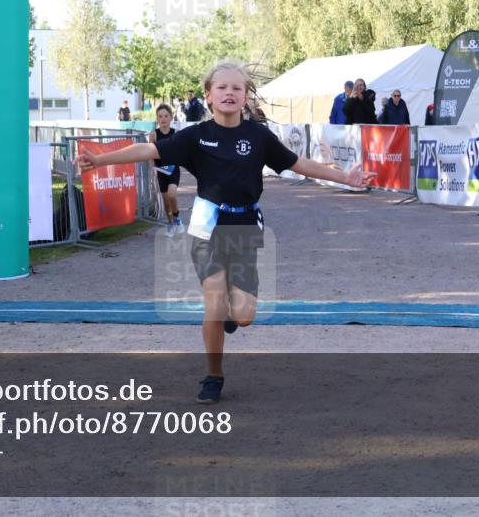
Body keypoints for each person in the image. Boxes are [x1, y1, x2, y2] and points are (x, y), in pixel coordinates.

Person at [74, 60, 376, 405]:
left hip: (244, 228)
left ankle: (233, 316)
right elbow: (149, 150)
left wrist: (346, 179)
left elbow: (298, 164)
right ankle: (213, 375)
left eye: (237, 88)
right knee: (214, 305)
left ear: (246, 96)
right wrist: (100, 159)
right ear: (209, 96)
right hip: (206, 227)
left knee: (243, 316)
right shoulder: (196, 135)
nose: (230, 93)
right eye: (222, 88)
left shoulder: (259, 136)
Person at [149, 104, 183, 237]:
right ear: (157, 119)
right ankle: (170, 224)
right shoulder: (154, 135)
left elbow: (181, 152)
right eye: (160, 116)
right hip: (160, 171)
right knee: (166, 201)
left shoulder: (176, 133)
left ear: (171, 118)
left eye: (166, 116)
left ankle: (177, 219)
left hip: (173, 169)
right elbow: (150, 153)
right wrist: (152, 169)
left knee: (172, 195)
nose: (163, 119)